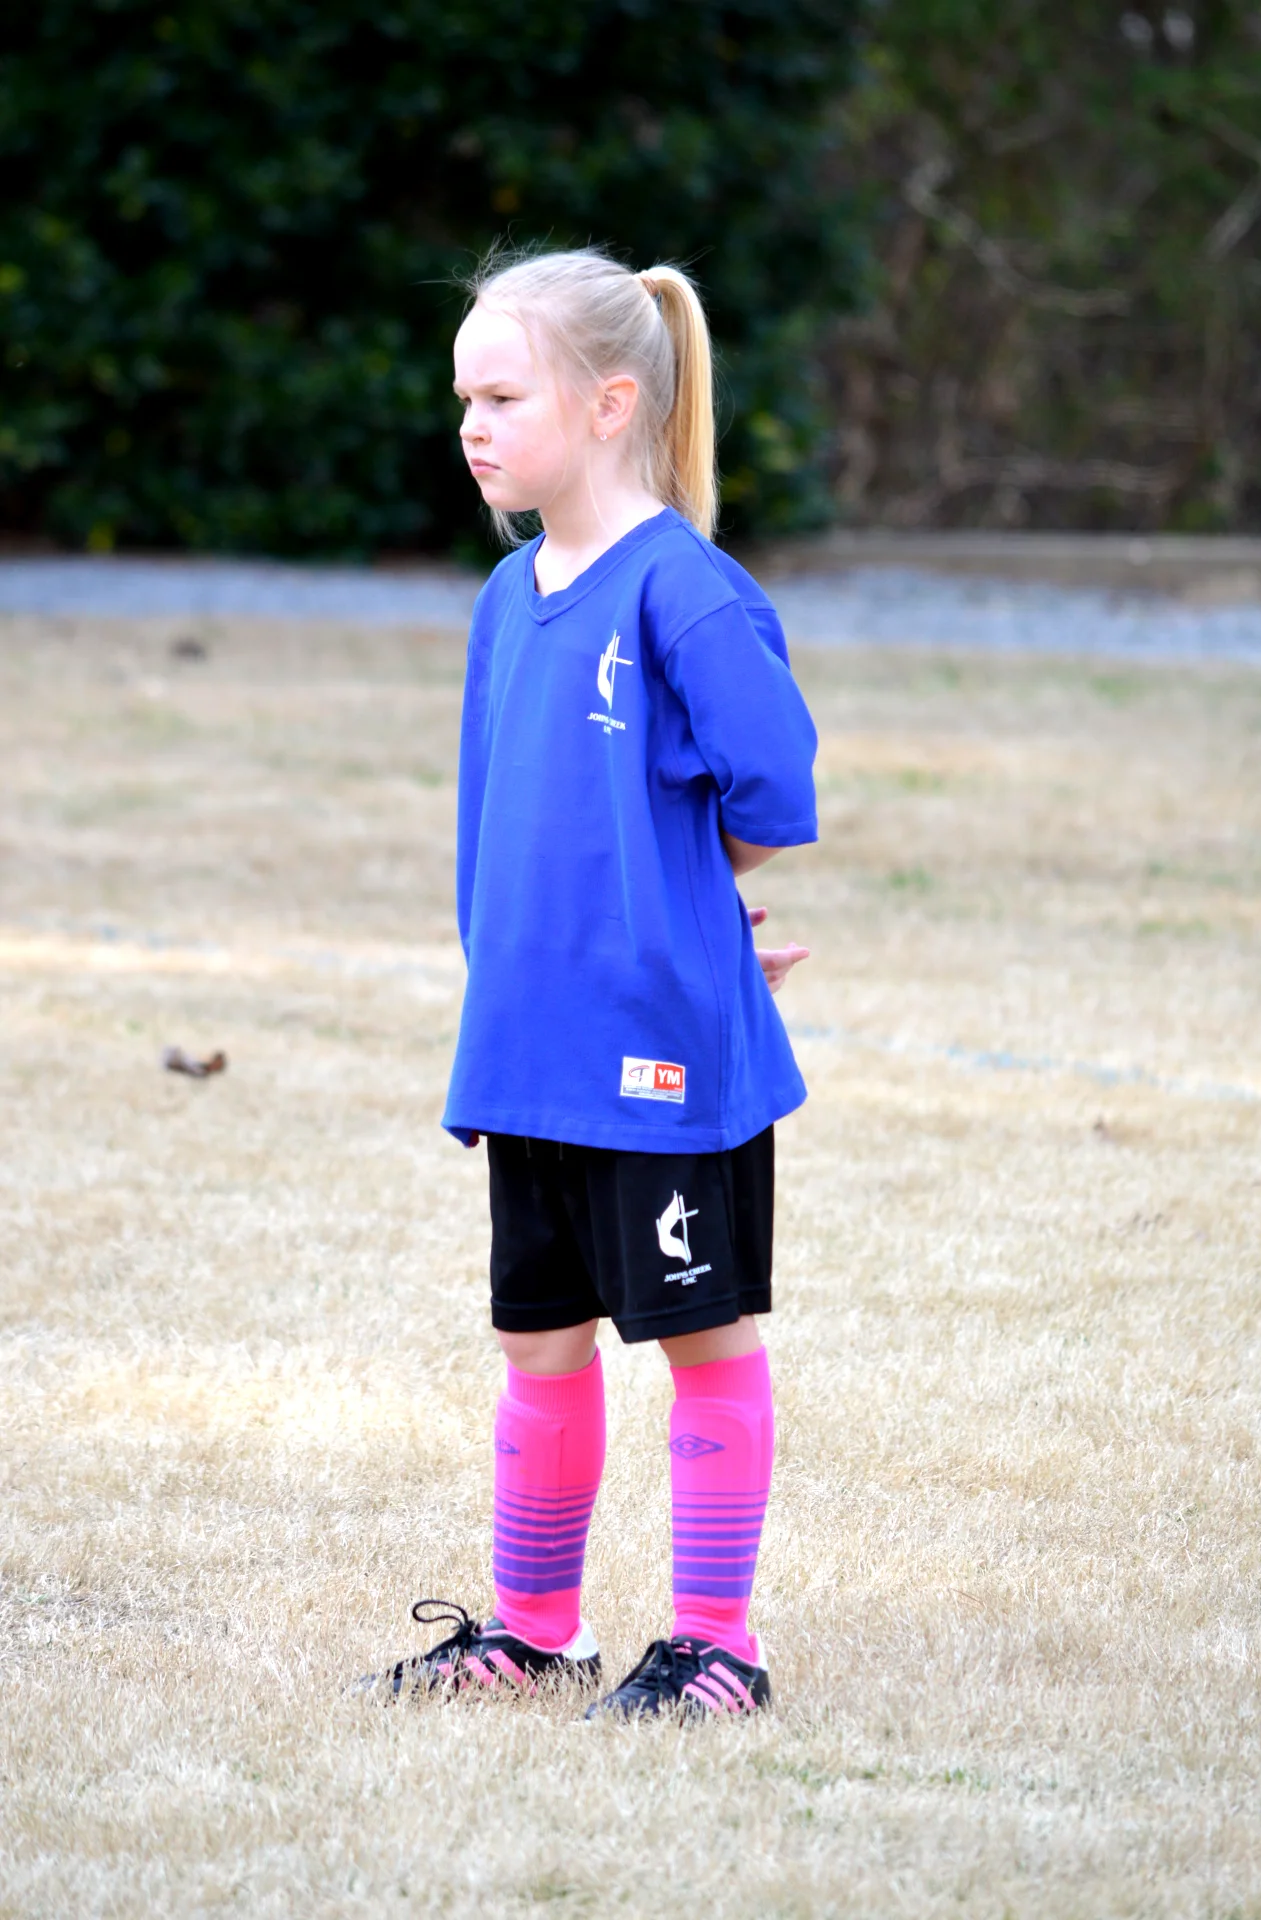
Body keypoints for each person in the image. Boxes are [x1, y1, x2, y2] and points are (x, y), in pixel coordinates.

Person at [363, 248, 817, 1719]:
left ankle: (717, 1646)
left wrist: (692, 914)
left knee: (699, 1332)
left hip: (654, 1045)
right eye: (464, 400)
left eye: (503, 397)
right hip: (531, 1044)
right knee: (538, 1339)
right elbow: (498, 816)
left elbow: (771, 791)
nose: (471, 426)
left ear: (611, 403)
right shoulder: (511, 594)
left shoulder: (683, 588)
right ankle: (532, 1628)